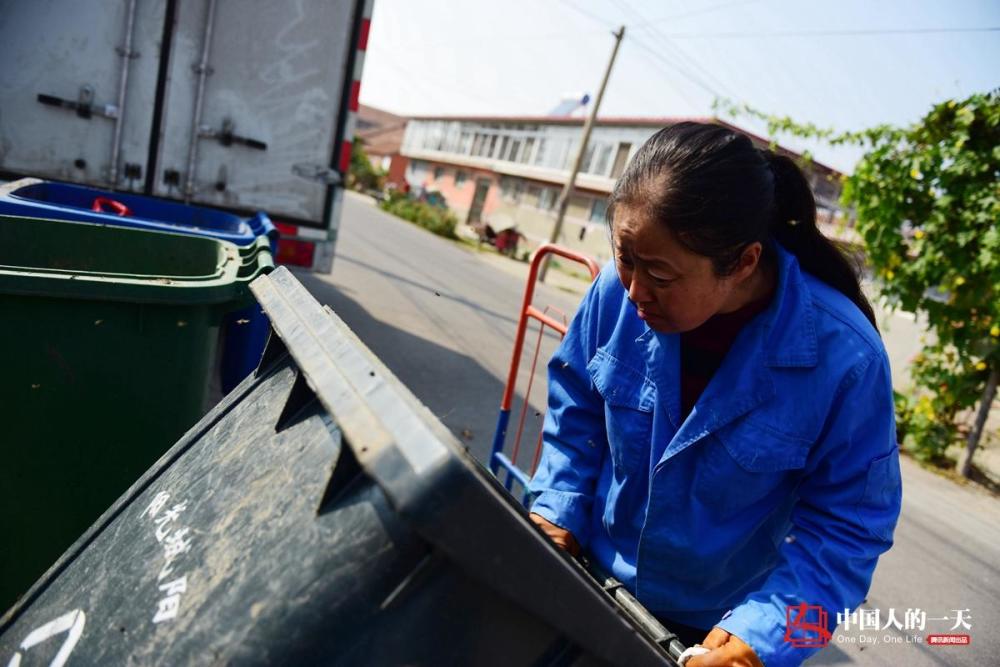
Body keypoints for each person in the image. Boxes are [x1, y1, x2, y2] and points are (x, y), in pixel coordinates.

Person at [528, 122, 902, 667]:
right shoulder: (616, 291)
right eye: (625, 257)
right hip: (588, 568)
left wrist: (764, 636)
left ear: (743, 263)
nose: (634, 291)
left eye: (659, 273)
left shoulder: (847, 360)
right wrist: (558, 504)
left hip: (717, 630)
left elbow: (848, 530)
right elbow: (578, 404)